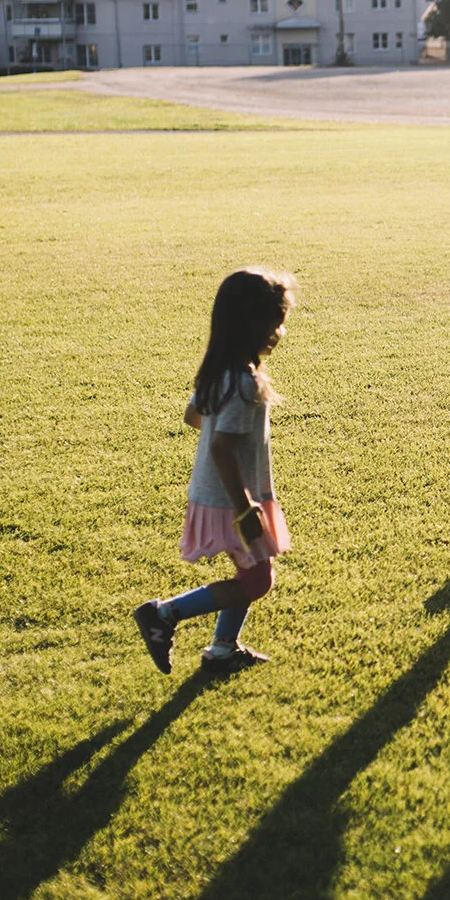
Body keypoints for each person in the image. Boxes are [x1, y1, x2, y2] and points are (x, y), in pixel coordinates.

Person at [134, 267, 297, 673]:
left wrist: (220, 441)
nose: (278, 335)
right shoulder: (243, 383)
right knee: (258, 580)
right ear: (251, 326)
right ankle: (164, 614)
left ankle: (223, 650)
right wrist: (245, 508)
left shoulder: (217, 372)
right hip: (232, 501)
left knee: (250, 571)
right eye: (273, 325)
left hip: (215, 495)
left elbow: (194, 416)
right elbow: (223, 447)